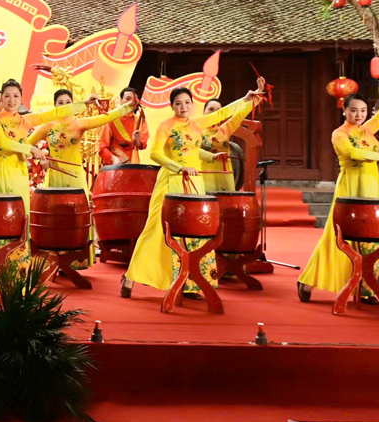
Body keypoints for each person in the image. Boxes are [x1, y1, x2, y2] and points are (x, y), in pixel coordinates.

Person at [122, 79, 265, 299]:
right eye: (178, 103)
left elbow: (217, 120)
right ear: (172, 106)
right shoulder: (166, 126)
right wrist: (179, 168)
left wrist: (248, 100)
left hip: (194, 185)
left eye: (187, 102)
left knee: (195, 232)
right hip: (170, 183)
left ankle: (191, 283)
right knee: (157, 229)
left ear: (192, 104)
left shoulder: (197, 124)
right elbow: (155, 154)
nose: (183, 107)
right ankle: (131, 276)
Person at [0, 79, 92, 297]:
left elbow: (54, 113)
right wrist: (30, 149)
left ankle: (16, 286)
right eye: (7, 96)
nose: (11, 100)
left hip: (18, 178)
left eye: (16, 96)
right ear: (1, 98)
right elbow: (3, 143)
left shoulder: (26, 120)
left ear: (21, 99)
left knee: (19, 230)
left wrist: (83, 104)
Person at [298, 83, 379, 304]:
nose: (359, 115)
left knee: (373, 233)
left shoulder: (367, 129)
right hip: (350, 187)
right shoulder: (339, 134)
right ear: (344, 110)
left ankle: (367, 287)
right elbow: (352, 153)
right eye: (354, 110)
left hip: (371, 187)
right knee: (339, 236)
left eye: (363, 110)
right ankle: (308, 280)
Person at [28, 89, 138, 270]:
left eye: (68, 102)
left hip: (75, 177)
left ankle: (75, 261)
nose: (64, 106)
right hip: (55, 176)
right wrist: (38, 154)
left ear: (74, 104)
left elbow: (105, 118)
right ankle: (55, 259)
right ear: (55, 106)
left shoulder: (79, 124)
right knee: (55, 218)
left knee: (76, 218)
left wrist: (126, 107)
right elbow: (26, 144)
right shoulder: (47, 126)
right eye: (60, 103)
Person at [198, 98, 250, 193]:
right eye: (211, 109)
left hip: (224, 173)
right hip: (204, 173)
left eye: (218, 110)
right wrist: (212, 156)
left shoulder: (225, 129)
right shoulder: (195, 130)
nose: (214, 113)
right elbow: (192, 150)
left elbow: (241, 114)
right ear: (203, 111)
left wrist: (253, 99)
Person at [98, 86, 148, 165]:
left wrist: (137, 141)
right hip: (115, 164)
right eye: (127, 99)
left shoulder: (139, 120)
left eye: (134, 100)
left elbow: (143, 145)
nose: (131, 102)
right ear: (121, 101)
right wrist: (112, 158)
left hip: (133, 164)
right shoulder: (112, 119)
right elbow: (102, 146)